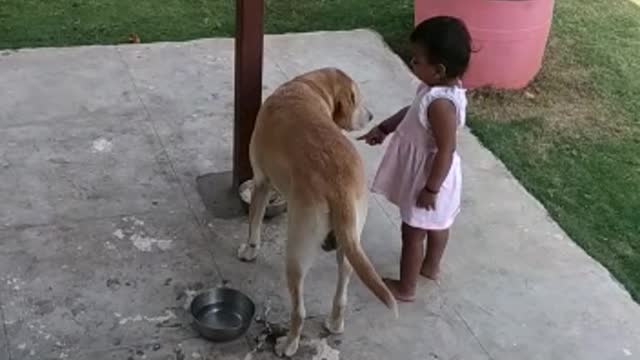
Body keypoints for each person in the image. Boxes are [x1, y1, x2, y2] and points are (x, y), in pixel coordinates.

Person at [358, 16, 472, 302]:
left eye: (417, 60)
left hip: (430, 176)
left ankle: (406, 288)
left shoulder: (441, 105)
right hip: (437, 175)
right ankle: (430, 267)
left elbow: (445, 149)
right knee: (439, 224)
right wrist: (385, 128)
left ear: (439, 69)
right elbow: (411, 112)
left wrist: (430, 189)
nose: (412, 63)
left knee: (412, 232)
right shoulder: (440, 89)